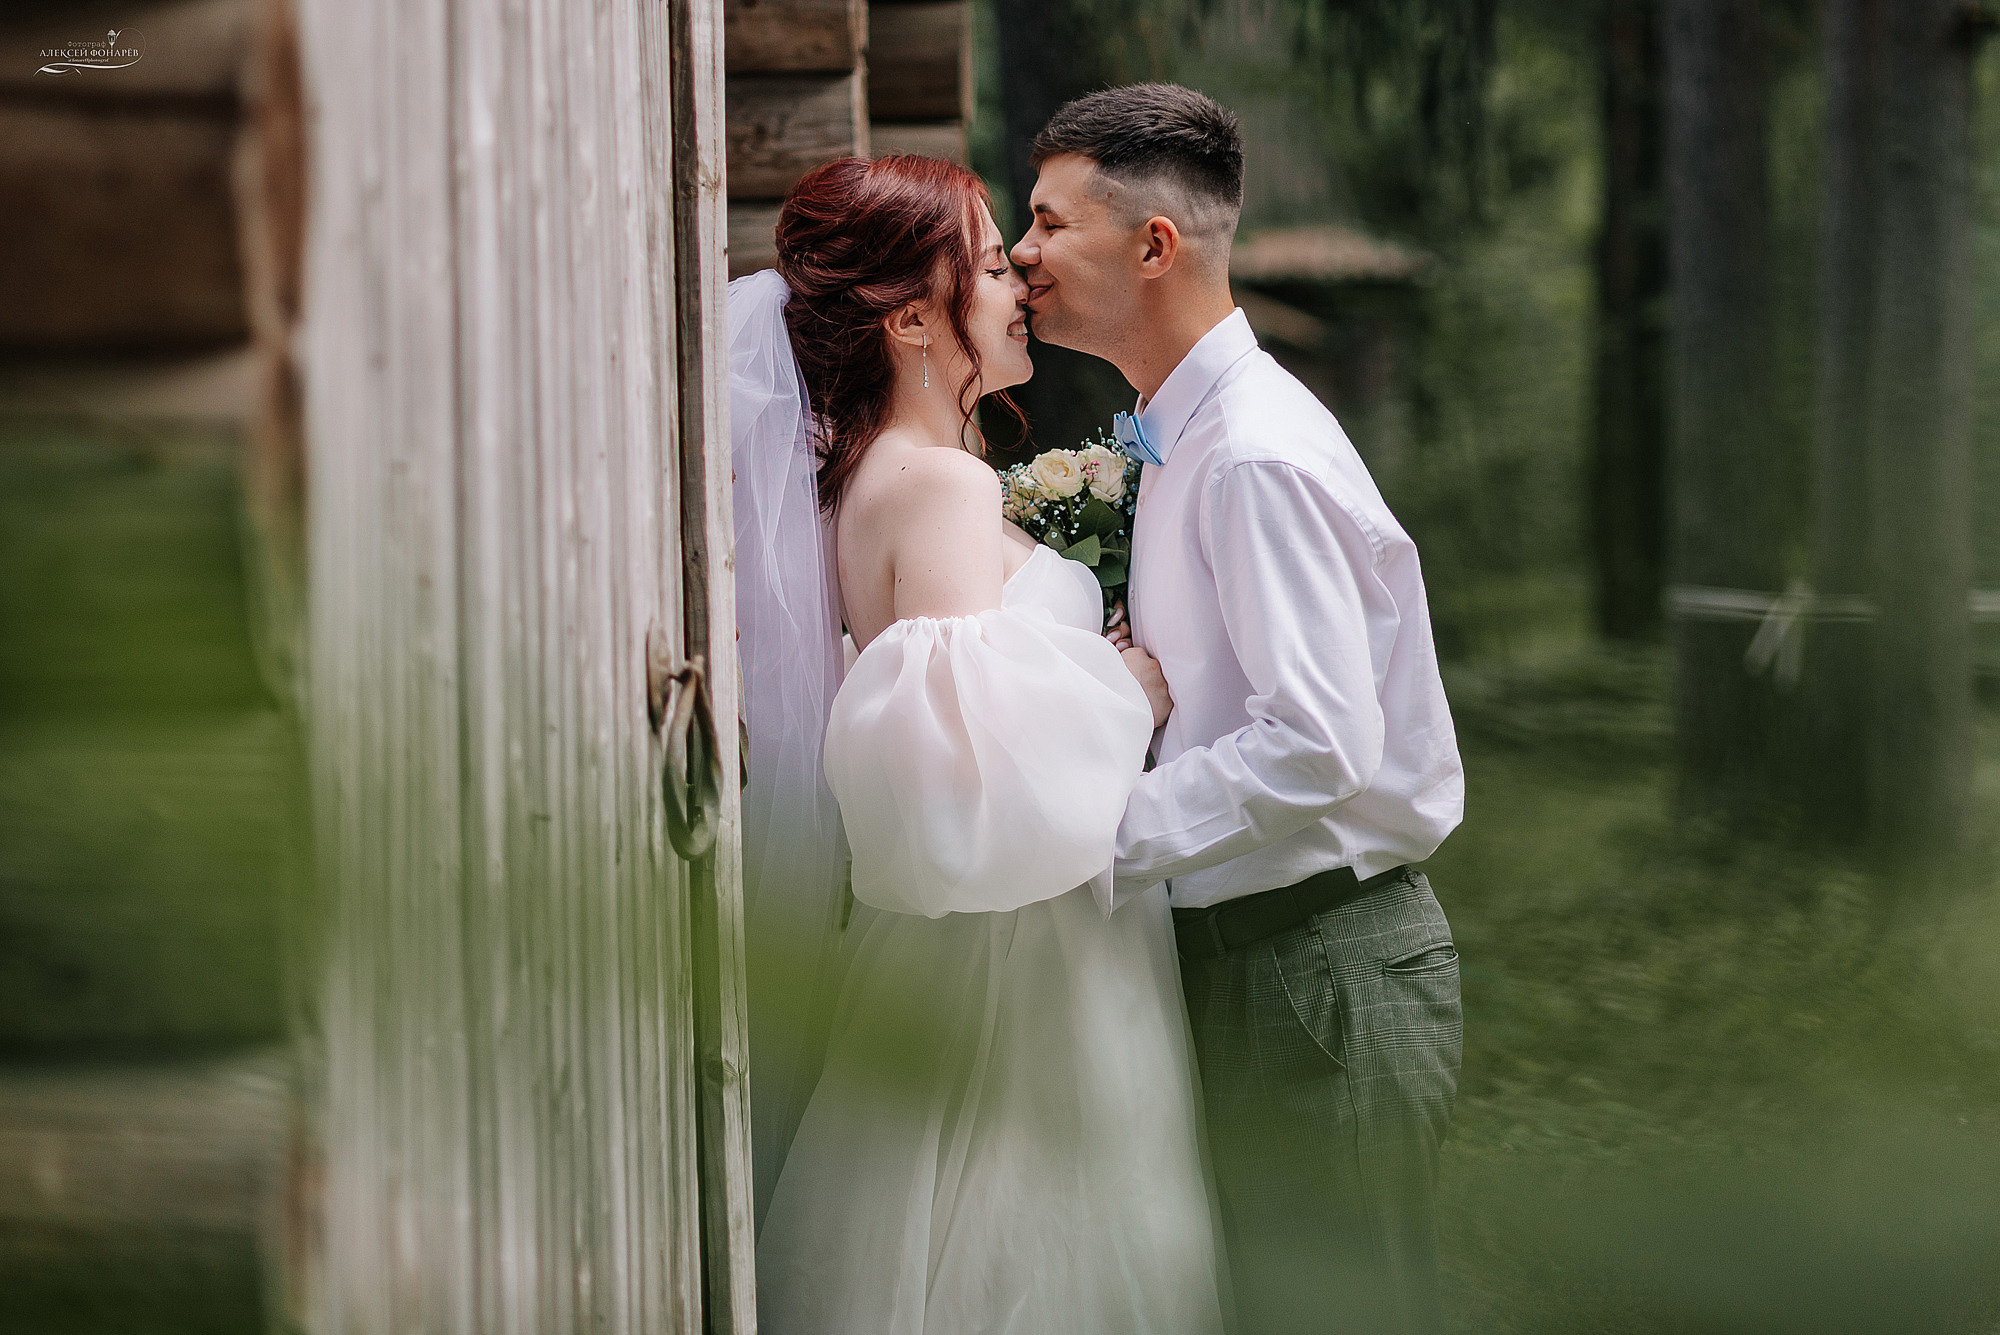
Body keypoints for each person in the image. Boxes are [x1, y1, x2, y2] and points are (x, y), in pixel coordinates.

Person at [736, 152, 1227, 1334]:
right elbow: (968, 763)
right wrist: (1128, 693)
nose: (1018, 281)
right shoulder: (939, 492)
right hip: (1016, 968)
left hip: (975, 952)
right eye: (992, 260)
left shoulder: (878, 475)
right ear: (913, 315)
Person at [1010, 84, 1466, 1335]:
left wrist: (1089, 833)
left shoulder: (1253, 453)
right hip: (1248, 961)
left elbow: (1315, 742)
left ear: (1150, 246)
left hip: (1316, 976)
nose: (1019, 252)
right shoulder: (1176, 436)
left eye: (1048, 223)